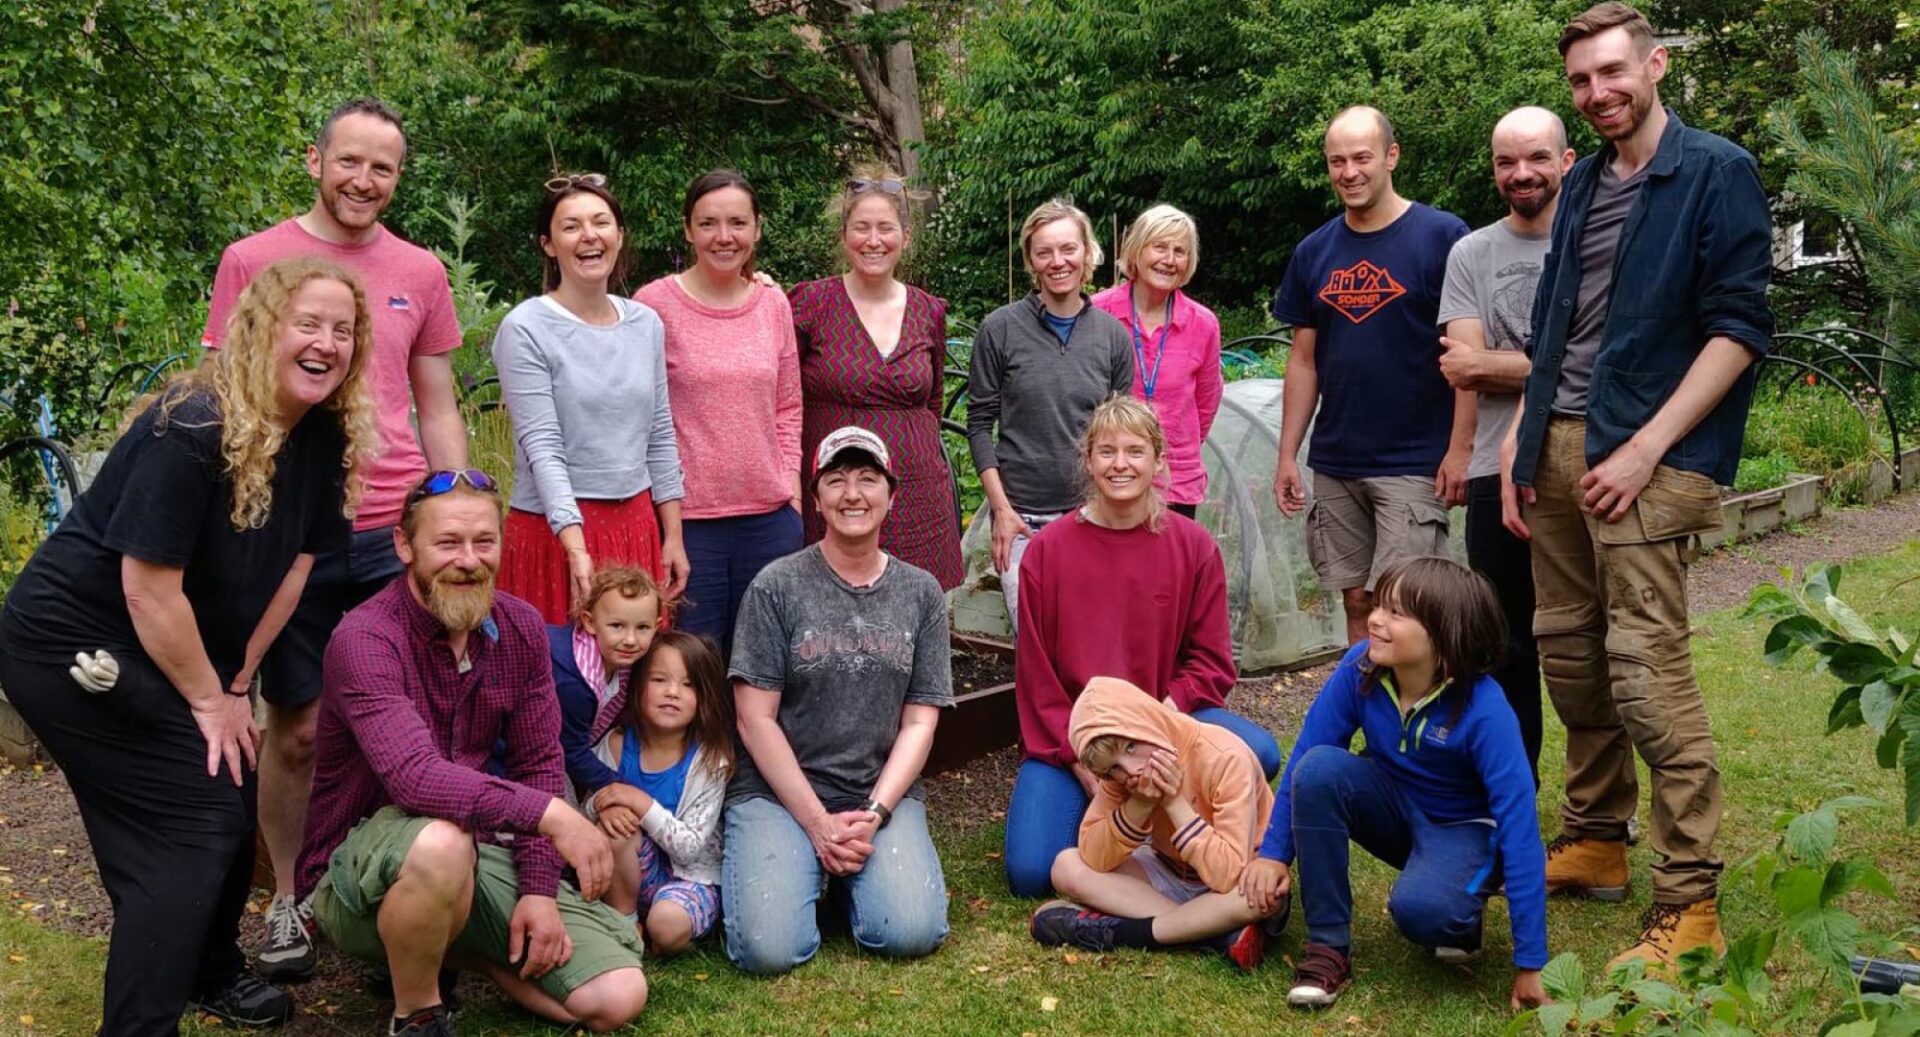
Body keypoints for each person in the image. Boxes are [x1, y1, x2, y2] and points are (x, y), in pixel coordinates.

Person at [0, 258, 376, 1034]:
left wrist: (237, 687)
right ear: (261, 328)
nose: (327, 342)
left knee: (229, 786)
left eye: (344, 330)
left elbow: (296, 568)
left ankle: (210, 971)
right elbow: (147, 588)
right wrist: (208, 697)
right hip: (73, 644)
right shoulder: (193, 426)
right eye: (308, 323)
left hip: (182, 649)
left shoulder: (323, 434)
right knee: (191, 828)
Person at [1499, 1, 1774, 968]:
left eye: (1613, 72)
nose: (1598, 93)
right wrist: (1522, 443)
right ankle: (1595, 837)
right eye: (1581, 81)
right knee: (1569, 652)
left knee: (1647, 671)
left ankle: (1690, 899)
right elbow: (1555, 317)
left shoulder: (1715, 171)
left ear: (1655, 64)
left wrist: (1649, 446)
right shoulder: (1582, 184)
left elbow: (1739, 327)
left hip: (1643, 458)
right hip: (1557, 448)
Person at [202, 97, 468, 976]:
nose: (364, 180)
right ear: (315, 160)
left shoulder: (420, 271)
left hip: (393, 526)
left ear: (398, 177)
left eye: (383, 167)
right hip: (286, 533)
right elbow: (224, 391)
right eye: (349, 161)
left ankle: (400, 888)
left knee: (415, 717)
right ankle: (286, 898)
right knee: (302, 725)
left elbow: (435, 401)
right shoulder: (253, 260)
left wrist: (454, 502)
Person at [296, 469, 647, 1036]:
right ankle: (418, 1015)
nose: (468, 560)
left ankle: (461, 953)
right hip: (357, 874)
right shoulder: (365, 639)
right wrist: (556, 816)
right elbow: (415, 778)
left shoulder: (521, 627)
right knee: (441, 840)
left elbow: (537, 763)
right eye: (447, 543)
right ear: (405, 546)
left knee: (617, 996)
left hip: (476, 858)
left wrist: (537, 891)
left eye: (484, 542)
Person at [1240, 557, 1549, 1012]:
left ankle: (1460, 908)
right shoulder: (1359, 668)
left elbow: (1520, 829)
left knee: (1424, 913)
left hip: (1464, 829)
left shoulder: (1486, 710)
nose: (1376, 619)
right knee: (1319, 769)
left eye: (1397, 613)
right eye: (1379, 605)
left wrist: (1530, 964)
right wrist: (1272, 854)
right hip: (1393, 807)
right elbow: (1308, 753)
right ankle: (1328, 948)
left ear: (1445, 635)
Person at [1004, 396, 1281, 898]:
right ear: (1088, 461)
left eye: (1135, 451)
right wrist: (1093, 763)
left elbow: (1211, 663)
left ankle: (1170, 823)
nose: (1121, 464)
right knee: (1029, 871)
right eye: (1106, 452)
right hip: (1081, 739)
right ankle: (1137, 829)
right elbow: (1038, 680)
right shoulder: (1048, 552)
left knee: (1258, 752)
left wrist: (1155, 735)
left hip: (1170, 722)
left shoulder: (1193, 545)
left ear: (1159, 461)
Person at [722, 426, 952, 974]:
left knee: (909, 932)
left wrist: (873, 813)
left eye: (868, 479)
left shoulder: (921, 593)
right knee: (767, 951)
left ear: (891, 497)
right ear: (817, 497)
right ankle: (814, 860)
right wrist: (819, 823)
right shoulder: (775, 587)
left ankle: (846, 875)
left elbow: (920, 722)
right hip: (779, 793)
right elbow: (755, 721)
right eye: (837, 479)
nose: (853, 494)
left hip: (876, 793)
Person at [1270, 106, 1473, 645]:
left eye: (1362, 157)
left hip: (1414, 460)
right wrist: (1288, 453)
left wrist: (1460, 450)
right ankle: (1372, 720)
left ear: (1391, 156)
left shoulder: (1442, 236)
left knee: (1405, 604)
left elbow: (1466, 354)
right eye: (1337, 161)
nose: (1349, 172)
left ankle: (1416, 720)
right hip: (1338, 459)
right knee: (1356, 600)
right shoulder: (1314, 251)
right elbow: (1304, 360)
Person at [1434, 107, 1577, 782]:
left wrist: (1504, 362)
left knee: (1586, 640)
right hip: (1496, 466)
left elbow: (1604, 361)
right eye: (1506, 162)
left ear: (1567, 160)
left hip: (1581, 460)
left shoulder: (1596, 240)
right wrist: (1460, 450)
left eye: (1536, 158)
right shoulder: (1472, 253)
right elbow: (1462, 366)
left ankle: (1602, 807)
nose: (1521, 173)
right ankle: (1513, 785)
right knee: (1503, 642)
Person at [493, 174, 687, 623]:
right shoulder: (526, 329)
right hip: (555, 532)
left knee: (634, 682)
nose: (589, 236)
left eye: (601, 222)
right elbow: (542, 447)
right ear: (548, 244)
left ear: (619, 236)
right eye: (571, 226)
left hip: (635, 526)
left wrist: (671, 534)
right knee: (559, 678)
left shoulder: (645, 323)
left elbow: (659, 433)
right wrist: (575, 547)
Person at [635, 169, 802, 655]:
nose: (723, 237)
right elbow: (644, 417)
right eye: (708, 223)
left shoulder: (773, 303)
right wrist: (667, 523)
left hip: (768, 522)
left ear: (757, 228)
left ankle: (757, 738)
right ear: (688, 229)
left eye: (737, 223)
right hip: (690, 524)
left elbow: (788, 406)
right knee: (695, 663)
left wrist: (789, 491)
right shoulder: (654, 305)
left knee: (766, 664)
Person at [1029, 677, 1284, 971]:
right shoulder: (1122, 779)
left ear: (1147, 721)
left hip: (1234, 883)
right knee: (1067, 866)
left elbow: (1227, 875)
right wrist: (1140, 804)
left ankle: (1125, 932)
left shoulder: (1225, 757)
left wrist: (1175, 803)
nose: (1132, 771)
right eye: (1113, 769)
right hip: (1168, 872)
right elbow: (1093, 856)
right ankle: (1210, 932)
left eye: (1130, 746)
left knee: (1266, 897)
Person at [789, 166, 964, 589]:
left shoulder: (928, 310)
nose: (873, 240)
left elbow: (933, 401)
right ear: (844, 235)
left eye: (885, 228)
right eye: (861, 228)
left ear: (905, 235)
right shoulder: (810, 303)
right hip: (834, 494)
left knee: (916, 610)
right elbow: (784, 400)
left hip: (916, 494)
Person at [967, 198, 1133, 630]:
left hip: (1093, 515)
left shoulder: (1112, 336)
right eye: (1044, 252)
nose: (1058, 262)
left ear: (1087, 253)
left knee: (1094, 636)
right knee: (1037, 643)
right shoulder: (1000, 329)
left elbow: (1123, 435)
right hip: (1022, 520)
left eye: (1068, 249)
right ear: (1030, 260)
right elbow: (980, 425)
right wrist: (1001, 510)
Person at [586, 630, 735, 955]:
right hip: (630, 875)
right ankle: (623, 924)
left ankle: (663, 933)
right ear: (637, 686)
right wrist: (602, 805)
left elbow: (689, 849)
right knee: (614, 826)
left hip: (691, 880)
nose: (672, 692)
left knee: (666, 926)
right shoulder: (615, 744)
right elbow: (581, 806)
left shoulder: (709, 762)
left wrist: (641, 802)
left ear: (705, 695)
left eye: (688, 684)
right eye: (658, 679)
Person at [1090, 205, 1224, 519]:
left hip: (1175, 480)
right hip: (1111, 474)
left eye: (1180, 251)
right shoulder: (1097, 314)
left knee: (1170, 567)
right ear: (1137, 250)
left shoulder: (1203, 324)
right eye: (1159, 247)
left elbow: (1206, 404)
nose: (1169, 259)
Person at [548, 566, 663, 800]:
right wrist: (621, 787)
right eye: (617, 626)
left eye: (642, 627)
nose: (630, 640)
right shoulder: (573, 682)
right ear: (589, 623)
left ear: (657, 626)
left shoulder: (622, 663)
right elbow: (570, 751)